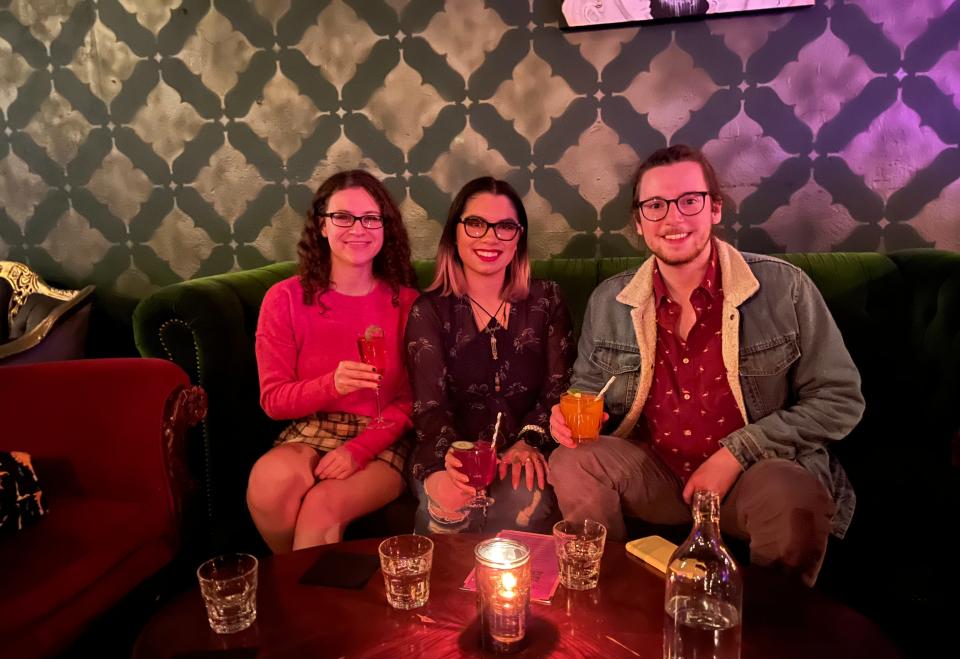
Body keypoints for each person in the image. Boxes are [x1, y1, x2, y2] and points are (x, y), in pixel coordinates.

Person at [548, 145, 864, 586]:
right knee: (570, 461)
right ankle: (607, 601)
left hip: (751, 480)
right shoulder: (610, 300)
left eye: (688, 201)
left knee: (793, 494)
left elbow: (840, 400)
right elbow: (586, 389)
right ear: (639, 222)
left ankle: (776, 637)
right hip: (655, 476)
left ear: (715, 209)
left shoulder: (784, 288)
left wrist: (738, 452)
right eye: (655, 205)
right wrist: (568, 416)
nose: (672, 219)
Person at [247, 169, 418, 552]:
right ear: (321, 226)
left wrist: (357, 451)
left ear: (385, 228)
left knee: (321, 506)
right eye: (342, 217)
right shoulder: (285, 298)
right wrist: (332, 384)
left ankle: (305, 605)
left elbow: (410, 401)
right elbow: (274, 401)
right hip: (311, 429)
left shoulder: (406, 303)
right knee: (268, 483)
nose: (357, 228)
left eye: (370, 218)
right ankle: (298, 588)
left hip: (383, 434)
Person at [405, 176, 576, 534]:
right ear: (455, 233)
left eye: (505, 227)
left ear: (519, 239)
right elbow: (429, 408)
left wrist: (528, 440)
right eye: (476, 224)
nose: (490, 237)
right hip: (451, 450)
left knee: (522, 496)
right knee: (449, 500)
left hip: (525, 451)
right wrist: (451, 460)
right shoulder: (430, 311)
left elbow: (558, 389)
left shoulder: (547, 300)